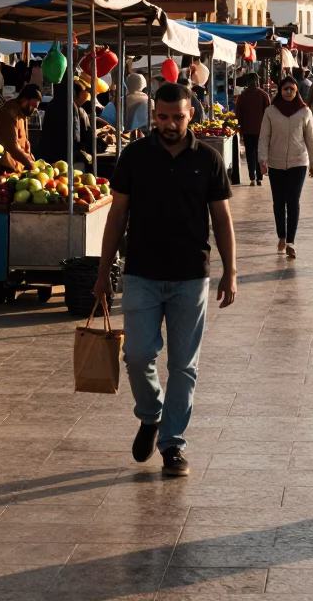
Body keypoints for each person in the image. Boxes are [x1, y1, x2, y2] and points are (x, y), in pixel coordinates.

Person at [93, 82, 237, 477]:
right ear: (153, 115)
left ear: (191, 115)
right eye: (163, 117)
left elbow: (222, 219)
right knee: (137, 355)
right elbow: (117, 216)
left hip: (191, 276)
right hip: (141, 273)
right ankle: (150, 413)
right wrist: (103, 271)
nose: (170, 124)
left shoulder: (208, 160)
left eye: (178, 117)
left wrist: (231, 271)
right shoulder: (135, 157)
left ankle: (172, 443)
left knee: (184, 366)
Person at [258, 76, 313, 257]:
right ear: (280, 90)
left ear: (297, 90)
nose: (289, 92)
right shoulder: (271, 111)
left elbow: (310, 138)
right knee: (279, 202)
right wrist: (262, 159)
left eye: (292, 89)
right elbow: (264, 137)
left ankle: (291, 241)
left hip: (298, 162)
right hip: (276, 163)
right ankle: (281, 236)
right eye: (286, 89)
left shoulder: (304, 111)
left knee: (293, 201)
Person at [0, 85, 41, 173]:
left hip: (17, 167)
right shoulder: (8, 114)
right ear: (24, 100)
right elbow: (12, 148)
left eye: (35, 107)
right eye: (32, 106)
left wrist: (32, 160)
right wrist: (30, 165)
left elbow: (25, 143)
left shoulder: (22, 114)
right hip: (2, 168)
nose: (33, 110)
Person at [233, 72, 270, 186]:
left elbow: (238, 114)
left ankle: (252, 177)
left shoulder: (242, 96)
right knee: (260, 152)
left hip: (247, 130)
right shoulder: (263, 95)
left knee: (250, 153)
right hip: (261, 130)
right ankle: (259, 176)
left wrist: (238, 127)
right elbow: (269, 113)